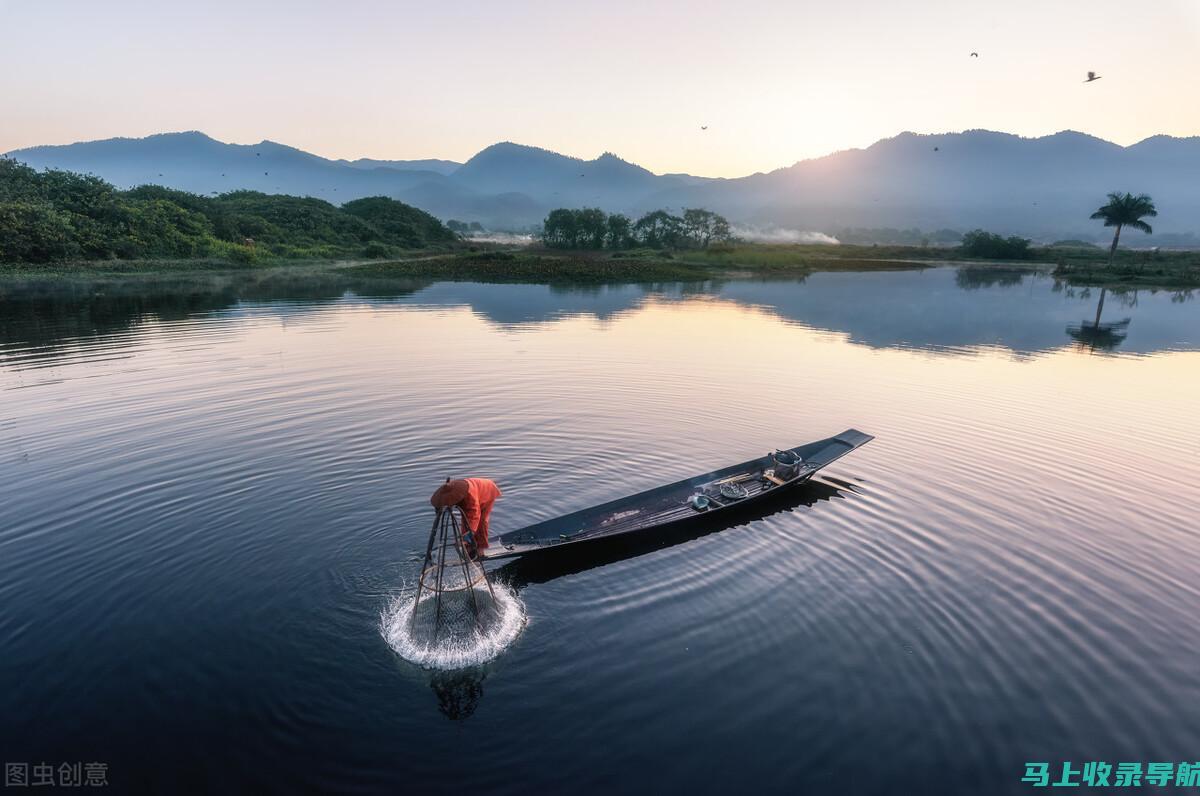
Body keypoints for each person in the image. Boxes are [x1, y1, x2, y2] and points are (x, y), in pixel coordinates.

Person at [429, 477, 502, 556]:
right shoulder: (452, 490)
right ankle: (469, 546)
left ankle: (480, 549)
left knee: (482, 523)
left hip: (487, 491)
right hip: (474, 490)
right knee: (465, 521)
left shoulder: (470, 497)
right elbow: (445, 500)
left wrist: (467, 536)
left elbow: (475, 516)